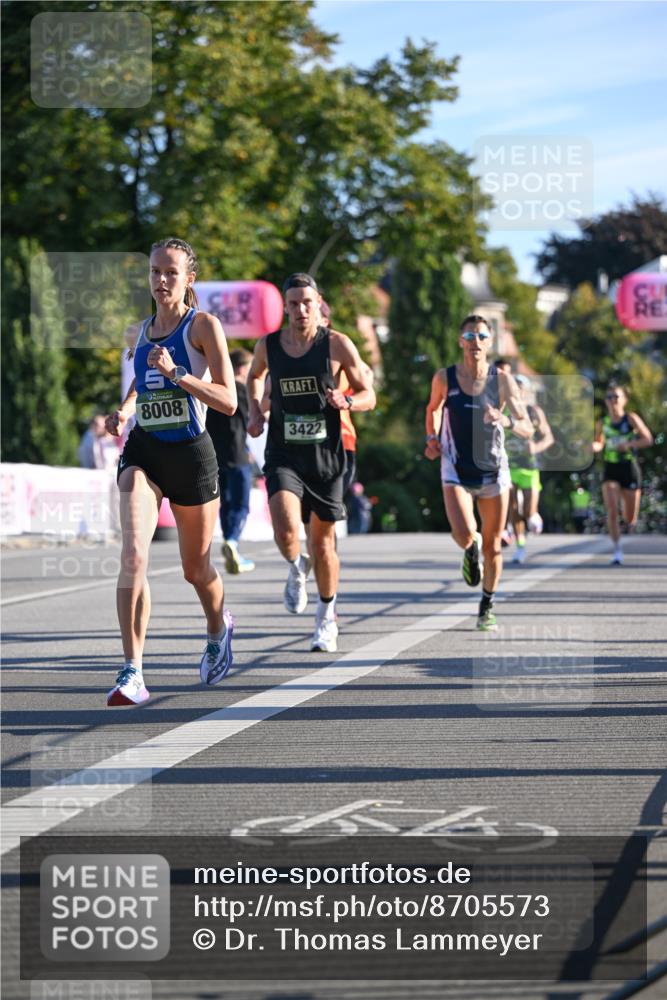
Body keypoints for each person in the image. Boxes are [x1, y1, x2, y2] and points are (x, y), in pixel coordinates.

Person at [104, 237, 237, 706]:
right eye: (155, 272)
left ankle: (219, 628)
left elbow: (229, 399)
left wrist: (180, 373)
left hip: (192, 456)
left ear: (189, 280)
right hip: (144, 452)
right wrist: (122, 412)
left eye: (171, 273)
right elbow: (142, 383)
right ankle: (132, 673)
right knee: (134, 553)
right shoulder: (138, 332)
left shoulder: (203, 326)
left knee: (195, 569)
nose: (161, 281)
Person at [246, 272, 375, 653]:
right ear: (284, 307)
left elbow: (369, 393)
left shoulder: (337, 344)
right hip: (284, 452)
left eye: (308, 302)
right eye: (293, 303)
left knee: (323, 544)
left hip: (329, 456)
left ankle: (326, 618)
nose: (301, 309)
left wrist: (348, 402)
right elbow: (255, 376)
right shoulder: (269, 344)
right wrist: (254, 411)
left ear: (319, 304)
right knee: (286, 530)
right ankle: (294, 565)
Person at [425, 315, 532, 631]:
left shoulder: (502, 381)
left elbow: (526, 426)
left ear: (489, 342)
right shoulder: (445, 378)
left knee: (494, 545)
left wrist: (505, 419)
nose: (475, 342)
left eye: (481, 336)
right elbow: (432, 408)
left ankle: (487, 604)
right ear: (461, 341)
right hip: (455, 465)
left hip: (493, 469)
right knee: (463, 534)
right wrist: (431, 438)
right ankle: (469, 551)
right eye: (469, 336)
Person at [206, 347, 255, 574]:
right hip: (238, 453)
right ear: (243, 368)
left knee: (225, 502)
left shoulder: (215, 390)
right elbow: (249, 421)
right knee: (241, 503)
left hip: (215, 454)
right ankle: (232, 541)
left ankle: (229, 542)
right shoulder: (241, 390)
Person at [592, 382, 653, 565]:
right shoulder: (603, 422)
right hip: (611, 468)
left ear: (624, 400)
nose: (612, 401)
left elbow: (648, 439)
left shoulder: (631, 419)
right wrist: (592, 447)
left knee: (629, 517)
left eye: (616, 397)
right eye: (609, 397)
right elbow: (599, 443)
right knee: (611, 508)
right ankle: (617, 550)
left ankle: (628, 523)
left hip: (629, 468)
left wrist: (628, 445)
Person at [504, 374, 554, 564]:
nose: (517, 390)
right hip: (509, 467)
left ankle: (534, 516)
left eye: (520, 387)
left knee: (528, 512)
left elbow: (548, 437)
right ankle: (521, 547)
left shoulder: (534, 411)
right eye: (513, 387)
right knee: (513, 509)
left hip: (530, 468)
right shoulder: (504, 410)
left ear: (526, 390)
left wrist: (536, 447)